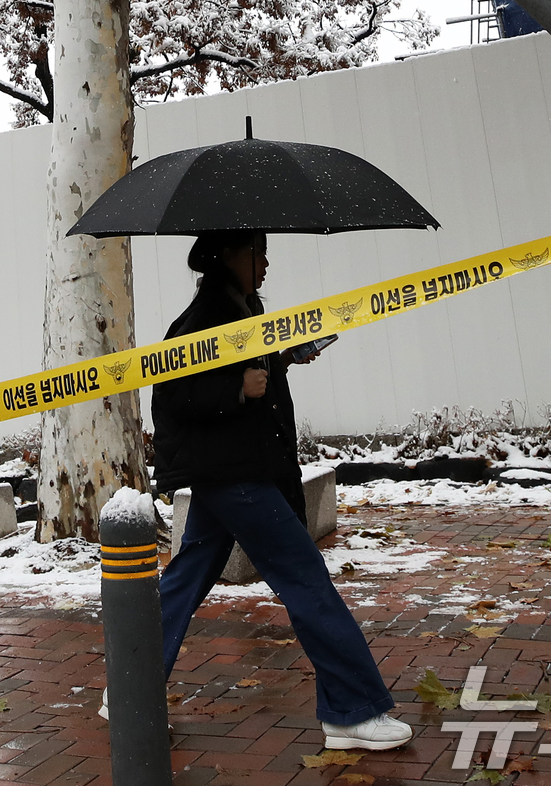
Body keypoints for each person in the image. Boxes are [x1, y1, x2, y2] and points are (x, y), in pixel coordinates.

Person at [151, 230, 413, 752]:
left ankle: (130, 684)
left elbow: (240, 366)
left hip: (233, 471)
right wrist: (236, 389)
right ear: (227, 256)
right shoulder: (205, 316)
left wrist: (284, 355)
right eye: (257, 253)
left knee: (183, 581)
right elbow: (173, 391)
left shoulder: (241, 308)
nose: (266, 263)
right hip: (235, 476)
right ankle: (350, 709)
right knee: (305, 579)